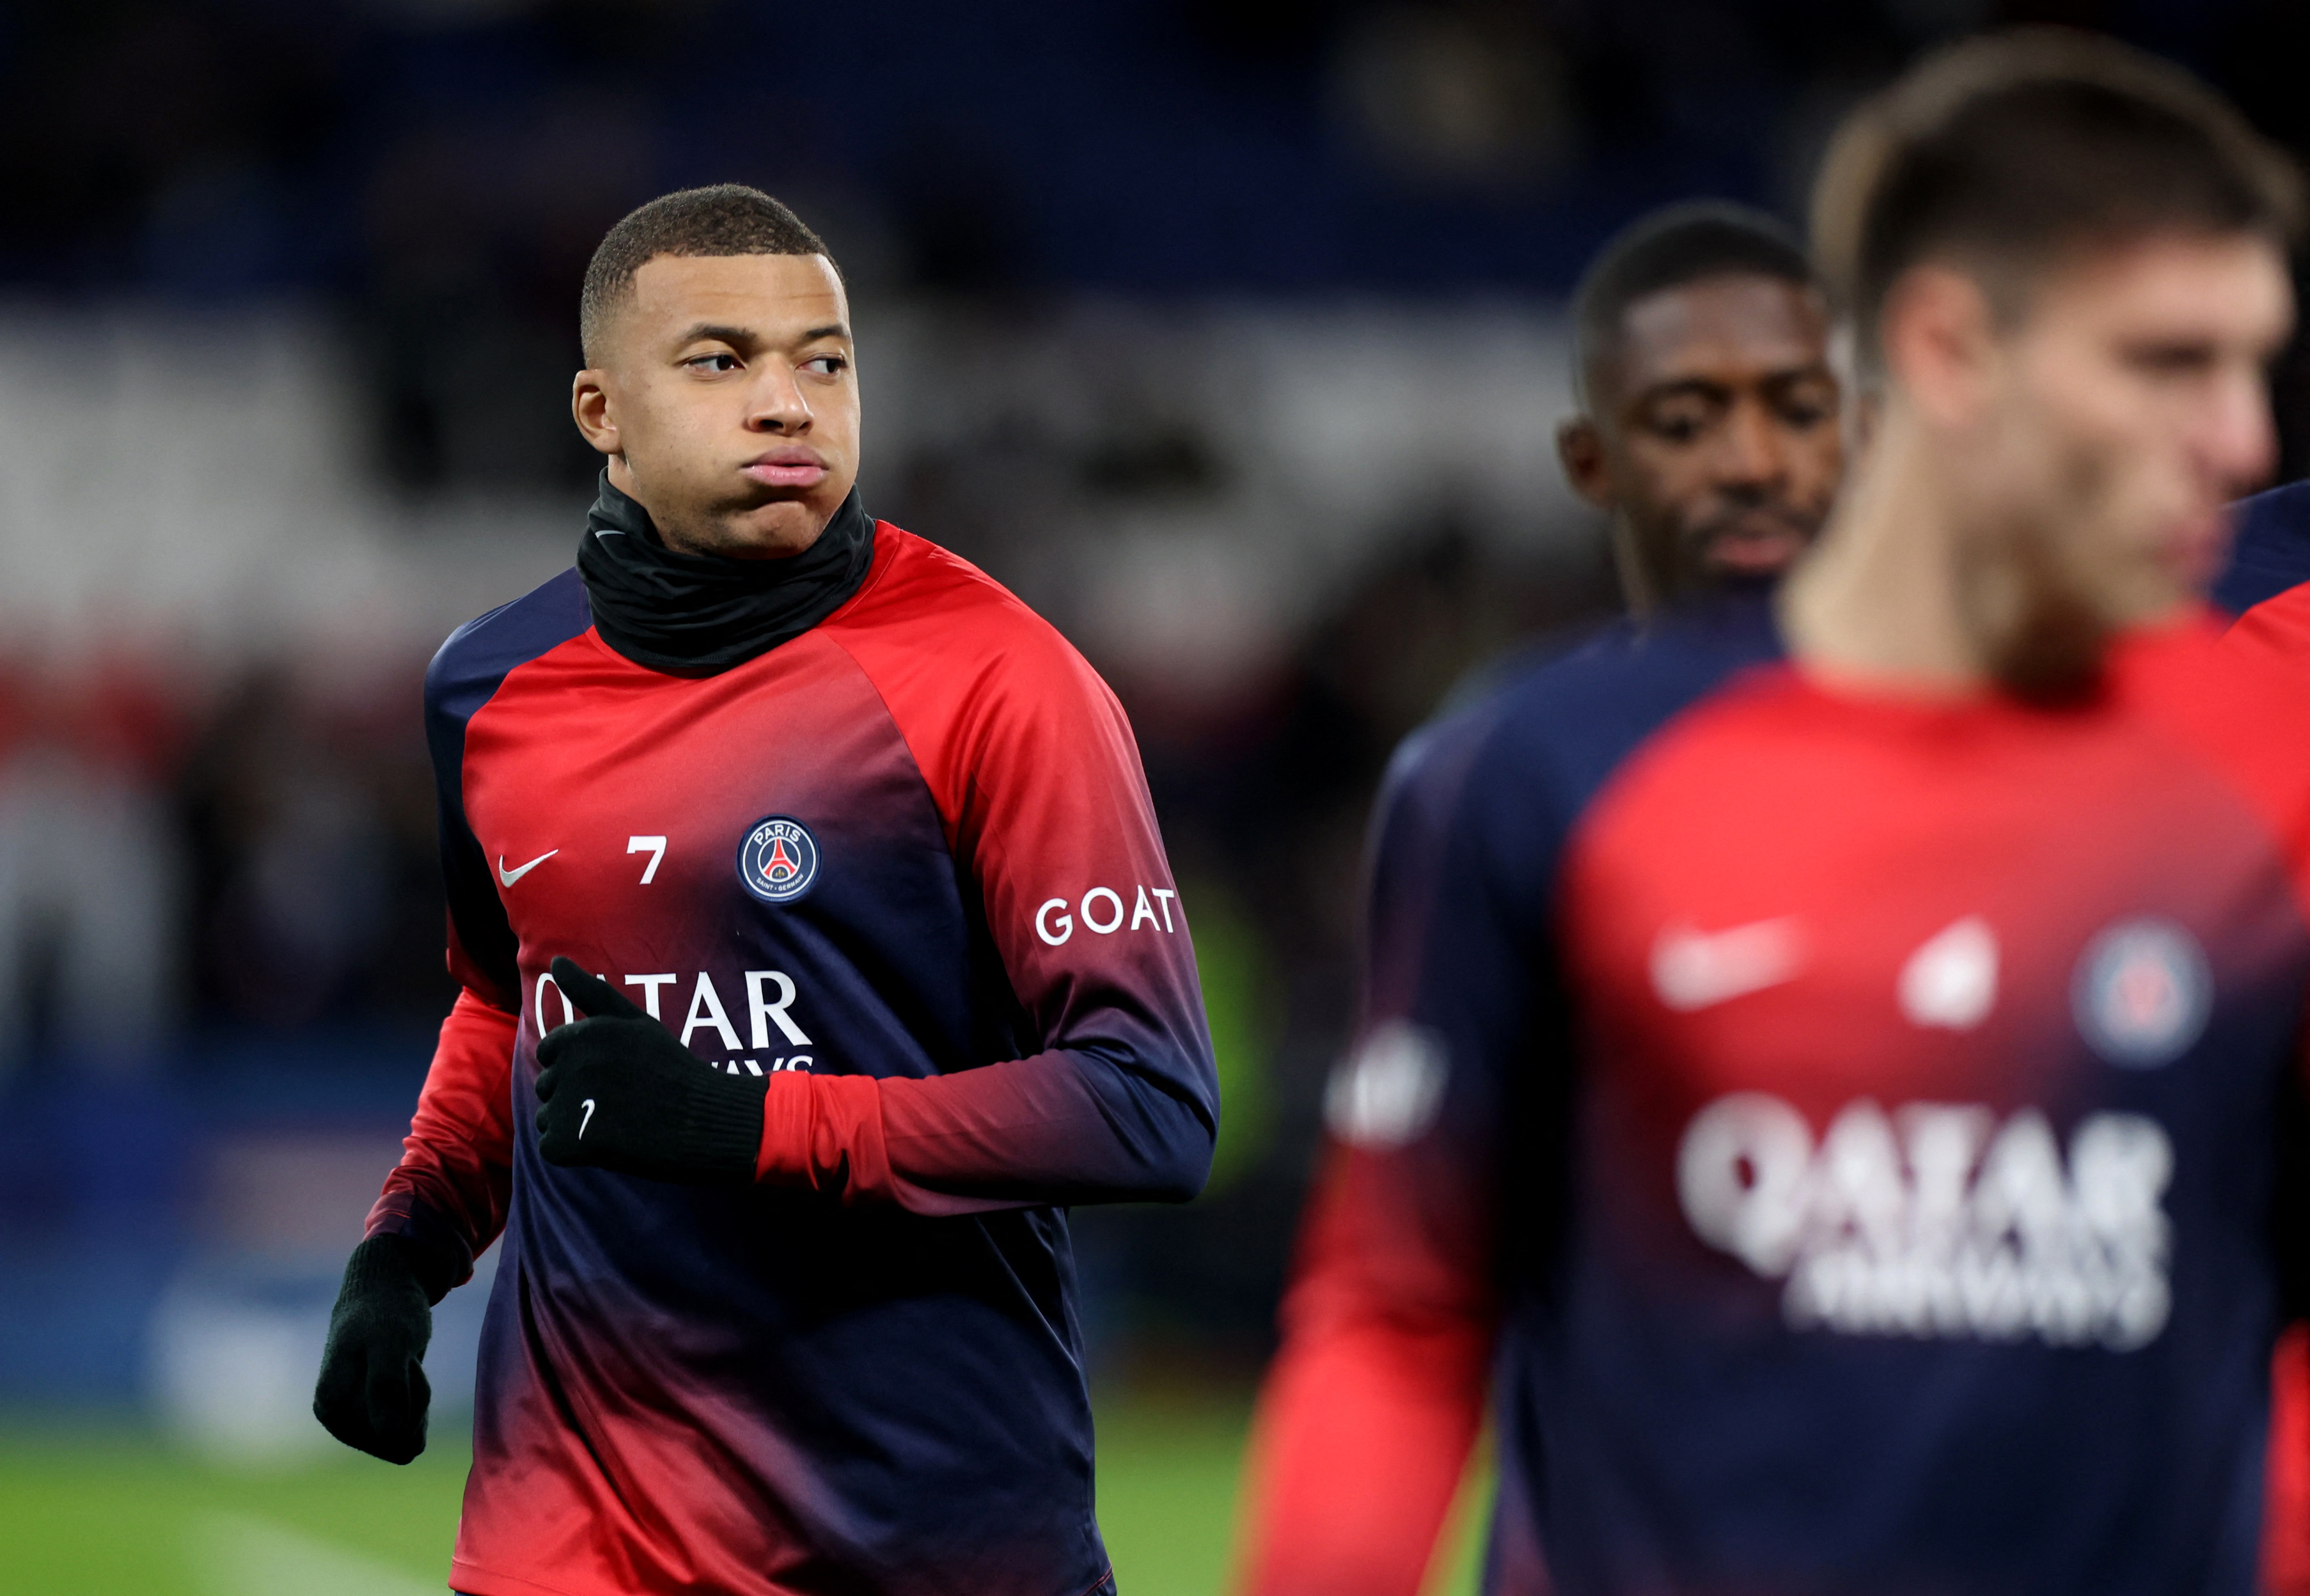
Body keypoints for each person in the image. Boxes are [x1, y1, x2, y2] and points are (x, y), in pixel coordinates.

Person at [1235, 29, 2308, 1596]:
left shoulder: (2252, 801)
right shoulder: (1553, 769)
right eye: (2167, 363)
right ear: (1948, 349)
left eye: (2251, 363)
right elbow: (1399, 1320)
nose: (2242, 442)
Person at [310, 185, 1219, 1596]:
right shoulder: (487, 691)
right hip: (573, 1518)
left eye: (826, 360)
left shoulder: (1003, 680)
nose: (789, 403)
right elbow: (514, 1005)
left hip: (925, 1527)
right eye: (722, 361)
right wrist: (409, 1244)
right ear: (599, 411)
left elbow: (1150, 1109)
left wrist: (755, 1124)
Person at [1555, 201, 1844, 620]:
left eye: (1802, 413)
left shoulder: (1952, 683)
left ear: (1866, 434)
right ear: (1590, 464)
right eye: (1684, 425)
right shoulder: (1545, 689)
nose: (1754, 466)